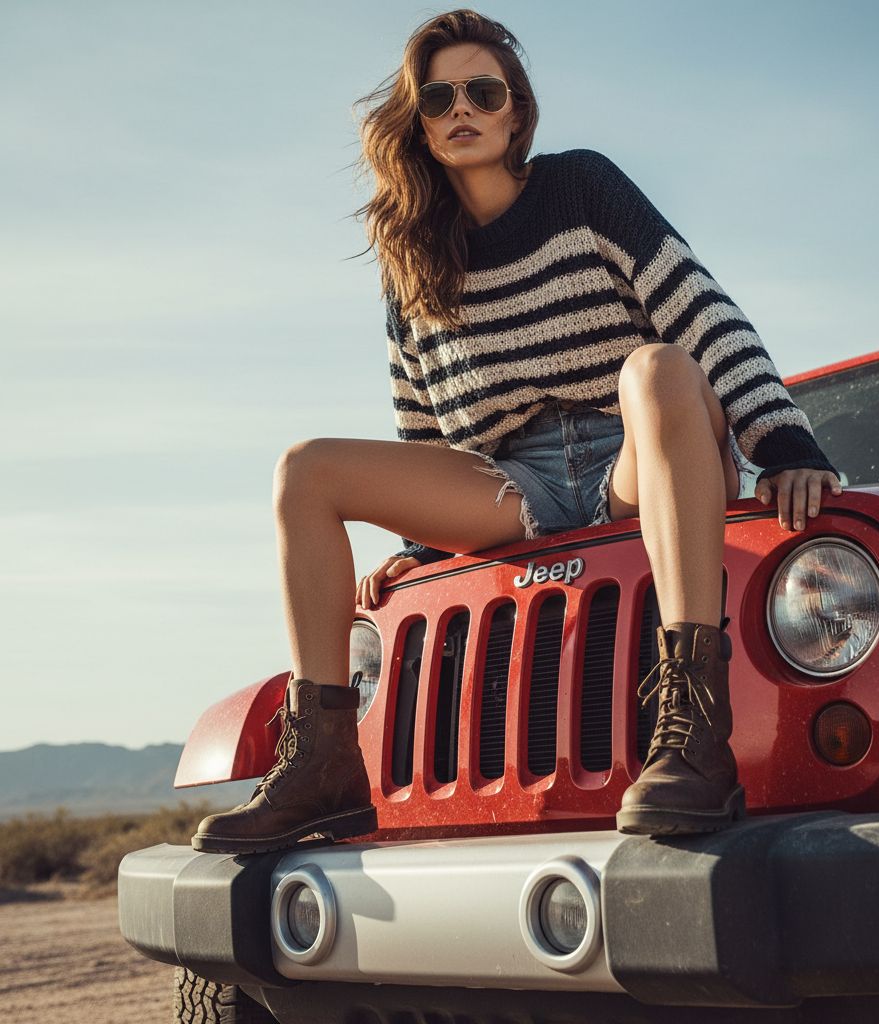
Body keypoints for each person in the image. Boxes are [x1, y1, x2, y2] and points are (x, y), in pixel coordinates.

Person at [191, 8, 842, 854]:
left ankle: (691, 732)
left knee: (656, 365)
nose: (460, 108)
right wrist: (422, 551)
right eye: (438, 97)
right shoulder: (415, 256)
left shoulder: (582, 189)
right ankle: (322, 761)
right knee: (303, 469)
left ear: (515, 112)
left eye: (482, 90)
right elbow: (420, 419)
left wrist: (783, 443)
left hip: (635, 455)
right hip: (516, 483)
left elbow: (701, 312)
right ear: (419, 123)